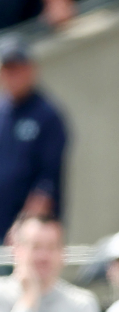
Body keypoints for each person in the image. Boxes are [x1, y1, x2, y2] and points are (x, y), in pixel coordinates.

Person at [0, 38, 68, 241]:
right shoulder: (2, 112)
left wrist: (24, 228)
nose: (14, 76)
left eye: (18, 68)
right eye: (8, 69)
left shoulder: (47, 116)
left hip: (32, 233)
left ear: (31, 69)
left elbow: (47, 180)